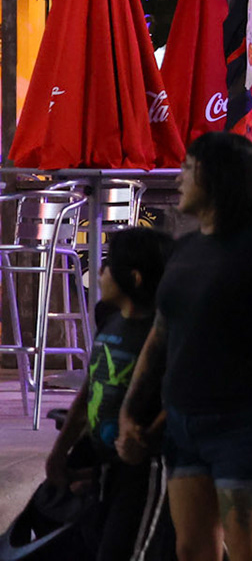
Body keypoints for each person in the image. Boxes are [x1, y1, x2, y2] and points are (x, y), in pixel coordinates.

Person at [117, 132, 252, 561]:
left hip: (243, 423)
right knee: (193, 550)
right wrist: (130, 407)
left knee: (250, 552)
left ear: (217, 176)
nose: (180, 179)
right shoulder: (186, 249)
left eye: (188, 168)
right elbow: (161, 335)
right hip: (183, 422)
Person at [46, 226, 173, 561]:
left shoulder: (159, 335)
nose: (99, 272)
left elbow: (181, 395)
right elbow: (90, 388)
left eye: (107, 265)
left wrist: (146, 438)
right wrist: (61, 450)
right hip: (106, 468)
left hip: (144, 470)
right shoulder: (110, 322)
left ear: (133, 278)